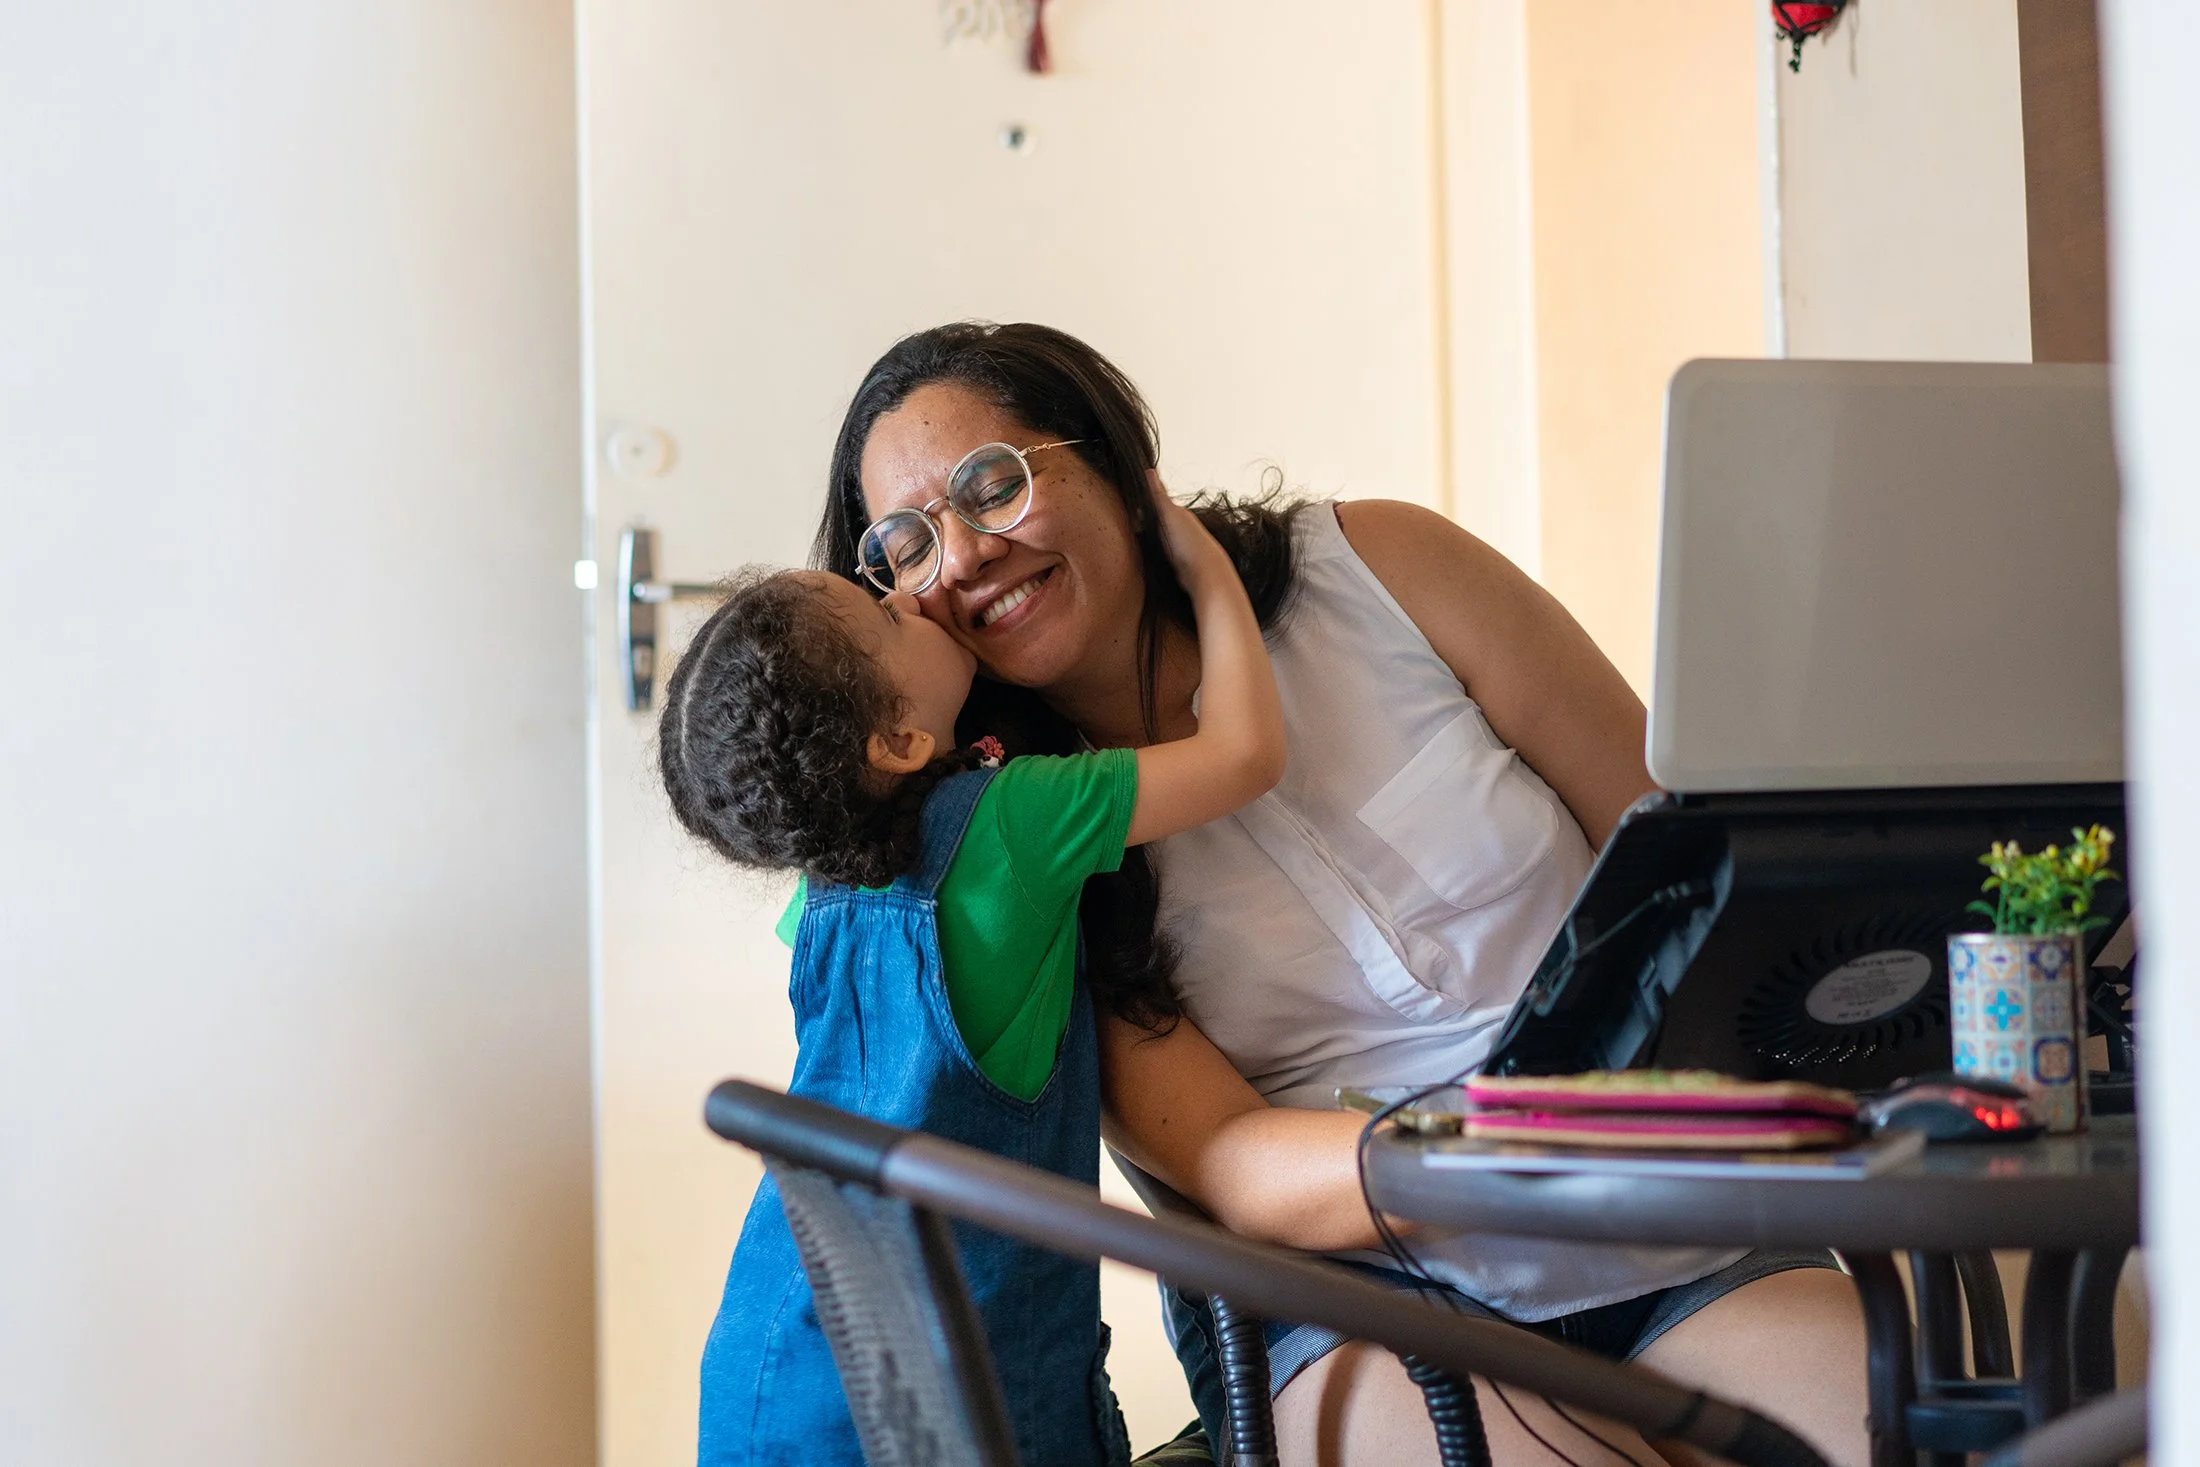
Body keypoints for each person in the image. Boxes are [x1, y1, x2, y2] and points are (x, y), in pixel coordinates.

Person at [813, 321, 1871, 1467]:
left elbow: (1686, 864)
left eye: (992, 484)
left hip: (1668, 1243)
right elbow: (1231, 1161)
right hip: (1356, 1311)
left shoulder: (1384, 568)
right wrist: (1503, 1146)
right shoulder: (1001, 845)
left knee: (1926, 1432)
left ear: (1114, 464)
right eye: (908, 543)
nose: (962, 556)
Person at [660, 460, 1288, 1466]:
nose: (911, 593)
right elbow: (1247, 755)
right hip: (955, 1399)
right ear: (903, 741)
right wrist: (1205, 571)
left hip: (776, 1368)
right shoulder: (1015, 823)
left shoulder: (820, 898)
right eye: (890, 618)